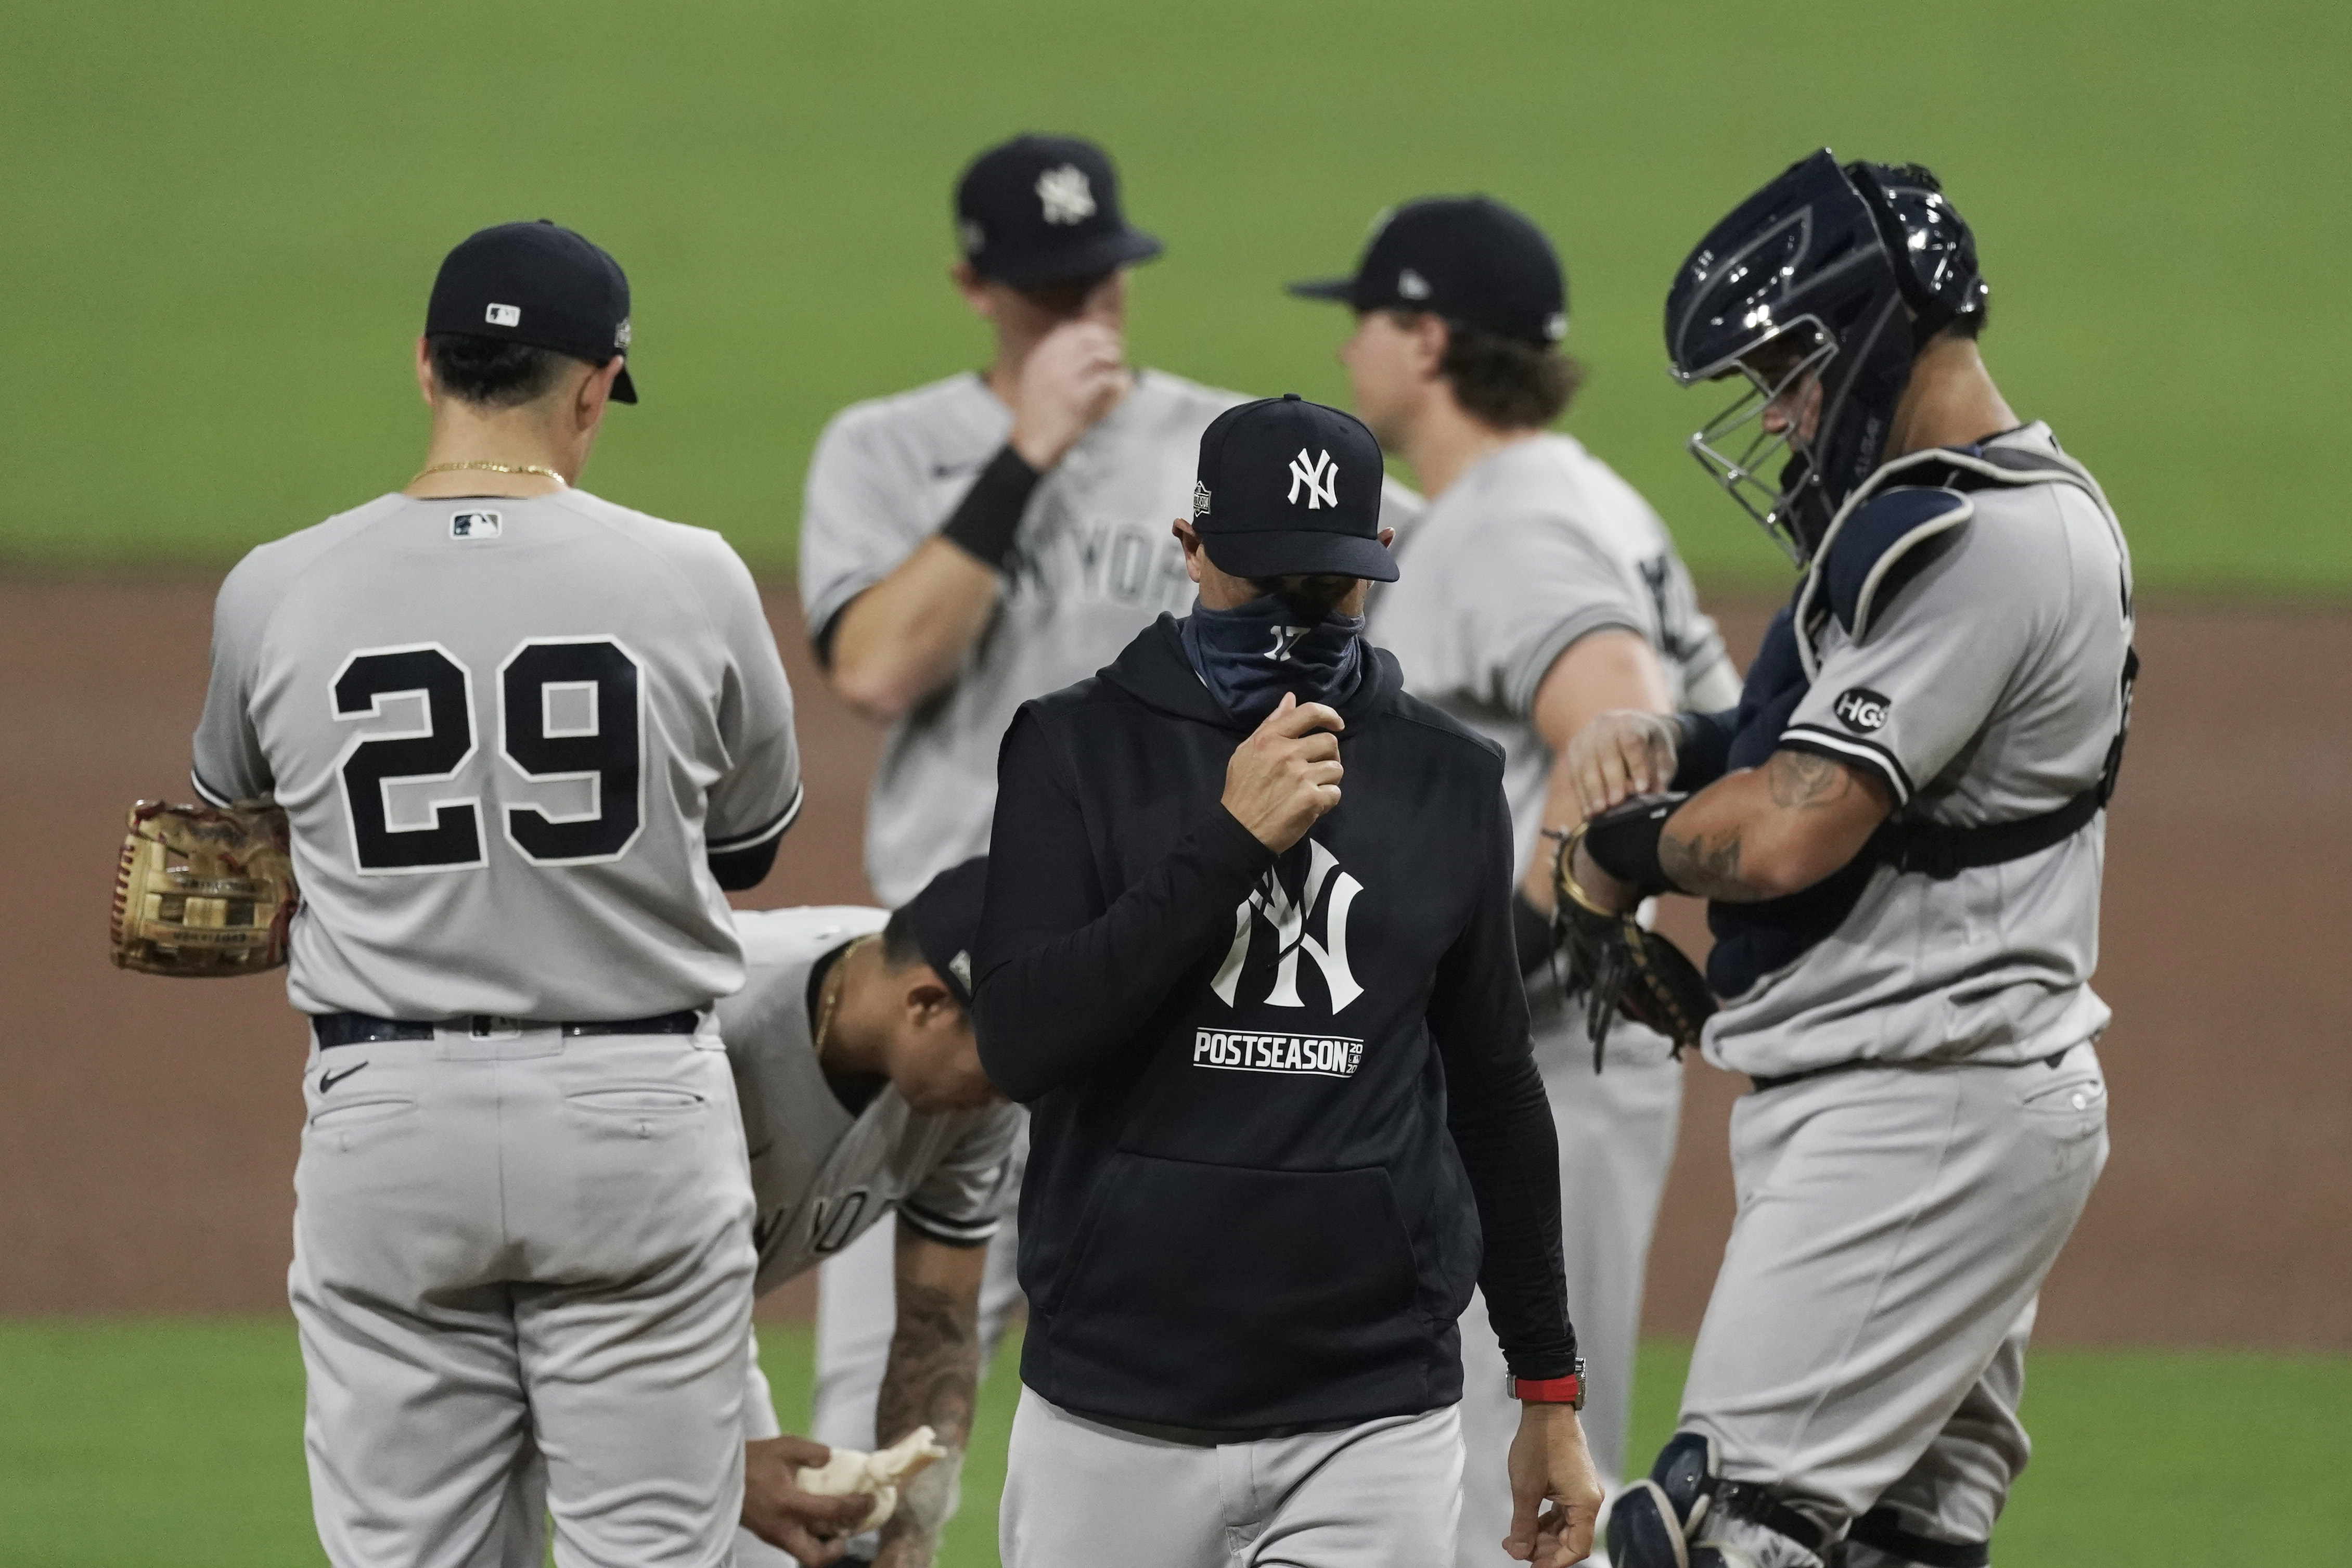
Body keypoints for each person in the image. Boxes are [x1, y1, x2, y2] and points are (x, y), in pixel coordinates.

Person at [795, 132, 1417, 1493]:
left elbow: (1412, 576)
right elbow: (878, 663)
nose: (1086, 307)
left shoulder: (1225, 445)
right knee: (879, 1413)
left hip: (1188, 984)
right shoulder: (889, 448)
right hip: (947, 1003)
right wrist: (1027, 451)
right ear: (974, 284)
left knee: (1202, 1397)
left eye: (1103, 275)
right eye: (1048, 284)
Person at [189, 221, 802, 1564]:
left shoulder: (273, 589)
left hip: (388, 1123)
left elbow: (236, 838)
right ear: (593, 388)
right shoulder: (695, 574)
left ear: (426, 367)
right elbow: (749, 843)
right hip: (635, 1121)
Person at [1569, 153, 2130, 1568]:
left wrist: (1615, 852)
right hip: (1922, 1102)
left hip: (1920, 1112)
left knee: (1721, 1534)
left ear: (1880, 321)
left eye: (1789, 365)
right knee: (1888, 1545)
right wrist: (1684, 740)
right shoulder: (1936, 513)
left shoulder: (1995, 542)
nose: (1776, 410)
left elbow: (1790, 828)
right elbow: (1805, 748)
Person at [974, 393, 1605, 1568]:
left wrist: (1547, 1389)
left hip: (1369, 1414)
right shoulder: (1075, 749)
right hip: (1114, 1402)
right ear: (1191, 549)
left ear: (1372, 569)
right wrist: (1224, 846)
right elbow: (1018, 1040)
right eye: (1266, 580)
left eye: (1326, 584)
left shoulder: (1444, 778)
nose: (1297, 614)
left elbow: (1494, 1092)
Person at [1290, 195, 1743, 1563]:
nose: (1349, 347)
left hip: (1540, 1075)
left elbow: (1620, 735)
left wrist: (1511, 969)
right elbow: (1722, 725)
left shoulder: (1516, 519)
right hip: (1534, 1073)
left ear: (1424, 337)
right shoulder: (1555, 500)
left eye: (1364, 317)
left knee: (1515, 1477)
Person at [711, 859, 1020, 1568]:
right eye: (1000, 1065)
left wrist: (903, 1546)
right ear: (925, 1004)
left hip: (691, 1336)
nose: (1009, 1095)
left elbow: (936, 1331)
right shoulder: (714, 1019)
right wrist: (721, 1468)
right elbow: (582, 1288)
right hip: (503, 1316)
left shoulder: (976, 1075)